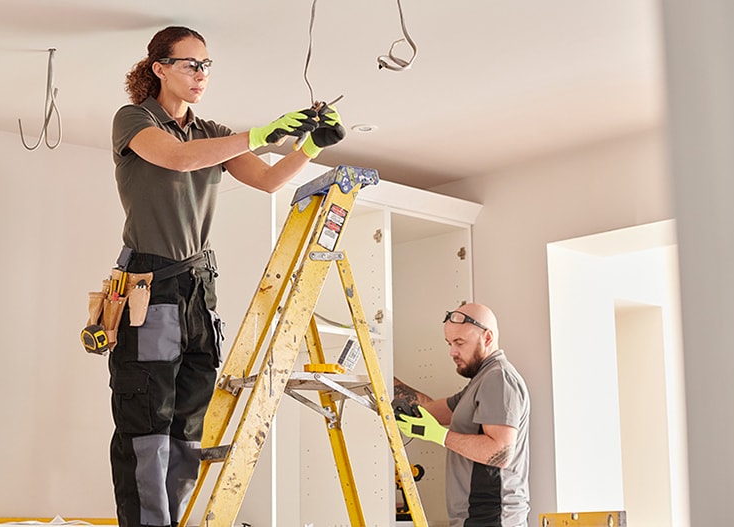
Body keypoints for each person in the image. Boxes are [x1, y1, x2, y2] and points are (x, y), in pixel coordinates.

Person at [107, 26, 345, 527]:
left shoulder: (211, 132)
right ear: (160, 69)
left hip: (197, 290)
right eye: (191, 64)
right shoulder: (134, 120)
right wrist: (260, 134)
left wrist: (312, 147)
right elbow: (176, 158)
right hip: (150, 289)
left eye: (207, 66)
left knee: (188, 426)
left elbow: (266, 179)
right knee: (147, 423)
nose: (201, 75)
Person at [393, 303, 530, 527]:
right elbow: (429, 411)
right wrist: (383, 376)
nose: (452, 352)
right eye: (449, 343)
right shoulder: (481, 381)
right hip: (476, 519)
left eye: (459, 343)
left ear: (487, 338)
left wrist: (440, 436)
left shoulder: (499, 379)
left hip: (493, 519)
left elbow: (501, 452)